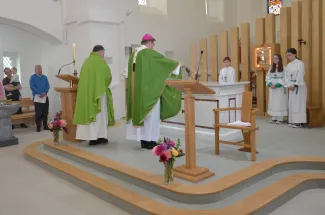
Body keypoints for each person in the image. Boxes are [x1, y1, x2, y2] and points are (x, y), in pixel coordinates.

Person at [126, 34, 182, 149]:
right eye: (153, 43)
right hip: (149, 91)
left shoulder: (133, 54)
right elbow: (163, 63)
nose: (153, 46)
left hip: (137, 93)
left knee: (142, 116)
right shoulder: (149, 53)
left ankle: (143, 140)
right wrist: (178, 65)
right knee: (151, 117)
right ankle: (150, 140)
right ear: (149, 42)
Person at [73, 45, 116, 146]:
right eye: (103, 53)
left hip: (87, 95)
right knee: (100, 115)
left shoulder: (86, 62)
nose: (103, 55)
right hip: (98, 94)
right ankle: (99, 136)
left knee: (90, 114)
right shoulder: (101, 62)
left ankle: (93, 138)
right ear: (100, 52)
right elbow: (108, 77)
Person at [285, 48, 307, 128]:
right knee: (292, 103)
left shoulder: (300, 63)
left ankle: (299, 122)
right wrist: (289, 85)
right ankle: (293, 120)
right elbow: (286, 76)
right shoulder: (289, 65)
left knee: (298, 103)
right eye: (287, 56)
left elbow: (300, 75)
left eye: (290, 55)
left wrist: (295, 85)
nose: (288, 57)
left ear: (295, 54)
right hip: (291, 86)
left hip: (298, 87)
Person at [266, 54, 288, 124]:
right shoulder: (271, 68)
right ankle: (274, 117)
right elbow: (267, 77)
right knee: (273, 102)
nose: (274, 60)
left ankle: (280, 118)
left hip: (280, 88)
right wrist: (270, 84)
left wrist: (278, 84)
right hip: (272, 88)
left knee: (279, 102)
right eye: (273, 58)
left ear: (280, 59)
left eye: (276, 58)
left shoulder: (284, 68)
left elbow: (285, 78)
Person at [30, 65, 50, 132]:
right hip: (37, 97)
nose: (40, 70)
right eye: (38, 69)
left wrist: (45, 92)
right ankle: (38, 126)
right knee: (38, 113)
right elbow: (32, 87)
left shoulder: (45, 77)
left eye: (40, 69)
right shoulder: (32, 77)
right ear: (35, 70)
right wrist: (40, 93)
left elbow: (48, 86)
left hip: (45, 97)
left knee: (45, 112)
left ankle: (45, 125)